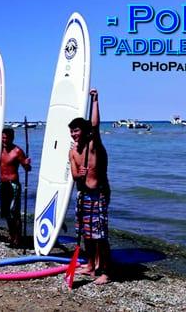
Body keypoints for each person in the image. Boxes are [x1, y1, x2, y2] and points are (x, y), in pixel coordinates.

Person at [69, 89, 111, 285]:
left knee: (100, 235)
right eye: (71, 131)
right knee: (86, 233)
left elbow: (95, 124)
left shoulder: (93, 145)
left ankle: (105, 271)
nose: (74, 135)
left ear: (84, 131)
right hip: (83, 195)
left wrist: (95, 100)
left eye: (77, 130)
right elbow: (75, 175)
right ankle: (90, 265)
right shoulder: (73, 152)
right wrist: (80, 174)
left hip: (99, 195)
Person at [0, 128, 31, 247]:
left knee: (15, 213)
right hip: (2, 184)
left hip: (13, 185)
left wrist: (27, 164)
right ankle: (12, 237)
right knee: (7, 213)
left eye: (7, 138)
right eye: (3, 137)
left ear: (12, 138)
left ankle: (18, 239)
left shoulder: (17, 151)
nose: (4, 140)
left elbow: (27, 169)